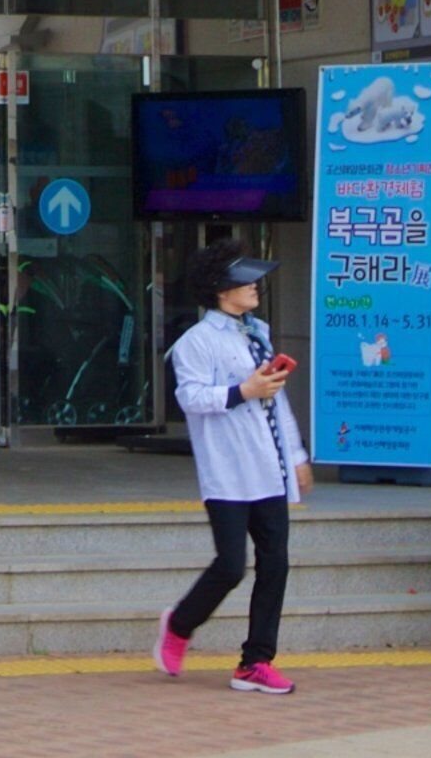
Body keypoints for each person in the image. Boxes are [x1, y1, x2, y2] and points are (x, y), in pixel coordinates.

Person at [157, 245, 308, 696]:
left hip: (269, 466)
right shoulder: (196, 342)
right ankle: (181, 624)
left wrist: (296, 456)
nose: (254, 286)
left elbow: (275, 399)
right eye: (245, 281)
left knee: (275, 564)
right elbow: (192, 399)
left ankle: (255, 662)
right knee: (230, 565)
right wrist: (244, 389)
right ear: (222, 291)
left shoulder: (257, 332)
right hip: (227, 470)